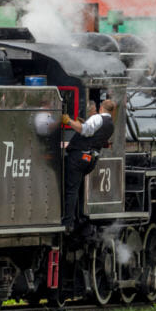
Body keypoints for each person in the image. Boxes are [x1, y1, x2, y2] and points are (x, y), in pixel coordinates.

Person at [61, 99, 116, 232]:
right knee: (78, 188)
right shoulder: (110, 124)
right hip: (91, 159)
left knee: (71, 188)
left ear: (101, 108)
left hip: (79, 156)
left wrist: (68, 121)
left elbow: (85, 130)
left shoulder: (97, 118)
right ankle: (78, 217)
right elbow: (93, 134)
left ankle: (67, 222)